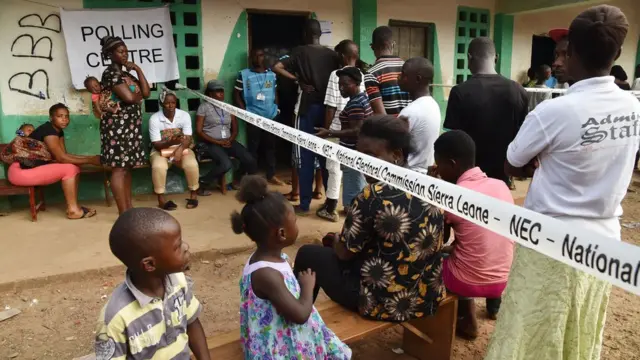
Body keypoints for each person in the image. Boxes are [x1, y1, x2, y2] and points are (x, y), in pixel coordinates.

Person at [486, 5, 640, 359]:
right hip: (603, 243)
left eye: (560, 51)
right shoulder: (632, 107)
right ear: (617, 54)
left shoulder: (553, 112)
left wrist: (539, 164)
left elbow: (511, 164)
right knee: (578, 327)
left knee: (532, 329)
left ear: (571, 53)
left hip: (550, 240)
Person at [295, 115, 446, 322]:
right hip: (425, 298)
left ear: (396, 155)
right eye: (359, 156)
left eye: (370, 155)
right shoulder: (430, 187)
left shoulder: (372, 196)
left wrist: (336, 242)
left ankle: (294, 322)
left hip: (383, 304)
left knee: (308, 254)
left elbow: (345, 254)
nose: (362, 163)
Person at [230, 176, 351, 359]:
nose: (297, 225)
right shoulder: (266, 274)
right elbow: (300, 314)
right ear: (281, 233)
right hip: (277, 348)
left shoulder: (270, 259)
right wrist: (307, 287)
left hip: (279, 333)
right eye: (294, 221)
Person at [95, 208, 210, 360]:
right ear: (149, 264)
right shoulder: (116, 318)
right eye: (177, 246)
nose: (186, 247)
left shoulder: (178, 281)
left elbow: (192, 323)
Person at [433, 130, 514, 339]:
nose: (438, 171)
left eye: (439, 165)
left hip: (466, 280)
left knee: (428, 259)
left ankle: (466, 318)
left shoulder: (453, 195)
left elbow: (437, 241)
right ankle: (494, 305)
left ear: (452, 164)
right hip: (503, 279)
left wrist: (433, 190)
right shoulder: (501, 185)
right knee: (478, 247)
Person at [273, 19, 341, 214]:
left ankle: (304, 204)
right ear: (320, 34)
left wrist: (298, 80)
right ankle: (330, 204)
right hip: (329, 110)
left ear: (305, 34)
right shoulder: (333, 55)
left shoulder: (299, 51)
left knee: (304, 157)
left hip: (306, 108)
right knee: (327, 157)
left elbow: (277, 67)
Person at [443, 37, 528, 186]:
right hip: (502, 179)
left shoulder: (460, 92)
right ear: (496, 58)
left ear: (469, 57)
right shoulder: (518, 91)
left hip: (469, 179)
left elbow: (454, 141)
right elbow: (521, 136)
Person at [7, 104, 100, 219]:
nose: (64, 119)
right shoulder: (48, 130)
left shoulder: (58, 131)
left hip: (28, 170)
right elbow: (61, 158)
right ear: (51, 118)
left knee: (73, 167)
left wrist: (91, 159)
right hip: (19, 172)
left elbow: (63, 156)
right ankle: (73, 211)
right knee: (70, 168)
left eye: (66, 116)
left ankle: (74, 207)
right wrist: (90, 160)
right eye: (60, 116)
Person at [99, 36, 151, 215]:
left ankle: (129, 208)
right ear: (110, 54)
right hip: (117, 127)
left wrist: (138, 70)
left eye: (126, 52)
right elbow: (130, 98)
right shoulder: (110, 73)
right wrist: (136, 99)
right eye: (120, 52)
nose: (125, 55)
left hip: (130, 126)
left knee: (127, 167)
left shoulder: (127, 74)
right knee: (119, 168)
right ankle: (123, 212)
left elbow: (146, 93)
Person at [316, 39, 366, 222]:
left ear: (343, 56)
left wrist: (327, 131)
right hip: (355, 135)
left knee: (334, 168)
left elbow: (330, 106)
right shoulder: (362, 75)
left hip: (339, 130)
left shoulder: (336, 75)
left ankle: (331, 207)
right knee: (351, 171)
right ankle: (348, 205)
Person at [149, 89, 209, 211]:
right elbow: (157, 144)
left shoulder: (184, 115)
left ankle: (193, 194)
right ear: (161, 104)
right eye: (167, 103)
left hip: (183, 149)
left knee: (191, 164)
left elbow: (188, 139)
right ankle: (161, 198)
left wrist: (179, 149)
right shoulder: (154, 119)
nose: (171, 106)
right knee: (158, 166)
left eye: (173, 102)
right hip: (161, 151)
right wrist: (172, 141)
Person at [235, 48, 283, 186]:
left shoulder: (272, 75)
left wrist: (277, 109)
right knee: (253, 148)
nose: (258, 58)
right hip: (253, 116)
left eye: (260, 55)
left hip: (271, 116)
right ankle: (253, 176)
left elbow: (275, 93)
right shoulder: (244, 75)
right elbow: (236, 94)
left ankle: (271, 174)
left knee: (270, 147)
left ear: (264, 57)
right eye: (255, 56)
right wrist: (244, 112)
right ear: (251, 58)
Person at [196, 80, 258, 189]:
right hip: (211, 143)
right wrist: (217, 141)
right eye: (217, 91)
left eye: (222, 91)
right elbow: (199, 131)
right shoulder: (204, 107)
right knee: (226, 165)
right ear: (210, 94)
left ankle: (238, 179)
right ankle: (203, 182)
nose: (221, 94)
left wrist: (230, 139)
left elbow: (235, 129)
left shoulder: (228, 107)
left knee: (250, 160)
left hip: (228, 141)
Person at [398, 57, 441, 174]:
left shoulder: (410, 112)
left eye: (404, 74)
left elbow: (396, 148)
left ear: (417, 79)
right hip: (424, 174)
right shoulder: (433, 105)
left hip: (408, 176)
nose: (399, 78)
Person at [365, 26, 410, 116]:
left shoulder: (371, 74)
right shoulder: (409, 67)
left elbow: (381, 115)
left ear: (372, 47)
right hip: (412, 126)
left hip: (390, 128)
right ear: (393, 44)